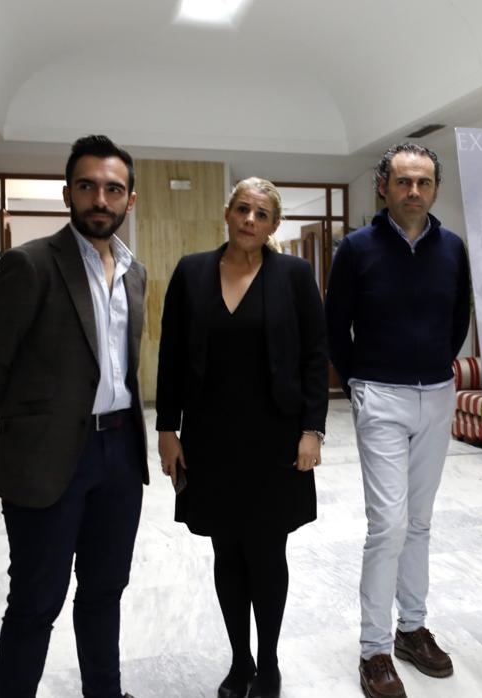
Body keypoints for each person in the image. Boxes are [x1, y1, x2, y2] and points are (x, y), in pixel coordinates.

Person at [0, 134, 147, 698]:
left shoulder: (134, 272)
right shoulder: (29, 264)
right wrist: (32, 426)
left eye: (113, 189)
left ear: (129, 199)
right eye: (88, 186)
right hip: (47, 460)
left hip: (119, 454)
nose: (101, 199)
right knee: (35, 601)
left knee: (105, 590)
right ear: (67, 193)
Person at [156, 177, 327, 698]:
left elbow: (314, 356)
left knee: (268, 554)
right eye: (242, 209)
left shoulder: (293, 275)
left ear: (274, 225)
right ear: (227, 213)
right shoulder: (192, 272)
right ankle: (239, 661)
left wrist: (312, 430)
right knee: (226, 552)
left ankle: (268, 663)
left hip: (275, 440)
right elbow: (170, 354)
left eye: (261, 214)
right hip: (209, 439)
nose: (250, 220)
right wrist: (167, 428)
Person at [325, 143, 471, 698]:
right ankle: (374, 649)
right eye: (404, 181)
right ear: (383, 186)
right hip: (380, 394)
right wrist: (360, 381)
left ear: (435, 189)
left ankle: (412, 628)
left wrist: (432, 365)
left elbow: (459, 317)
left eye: (424, 182)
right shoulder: (356, 248)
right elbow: (335, 325)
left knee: (420, 522)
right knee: (388, 524)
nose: (414, 191)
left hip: (436, 393)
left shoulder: (452, 248)